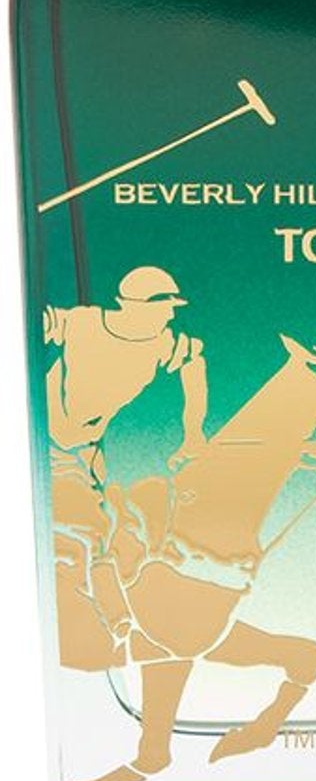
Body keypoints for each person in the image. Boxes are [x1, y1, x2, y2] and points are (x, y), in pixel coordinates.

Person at [46, 266, 207, 669]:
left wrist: (193, 432)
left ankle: (119, 630)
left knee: (105, 534)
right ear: (136, 306)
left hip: (87, 451)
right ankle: (112, 630)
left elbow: (194, 361)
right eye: (165, 306)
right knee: (90, 533)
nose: (171, 314)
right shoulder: (80, 323)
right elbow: (40, 324)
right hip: (47, 441)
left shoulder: (164, 343)